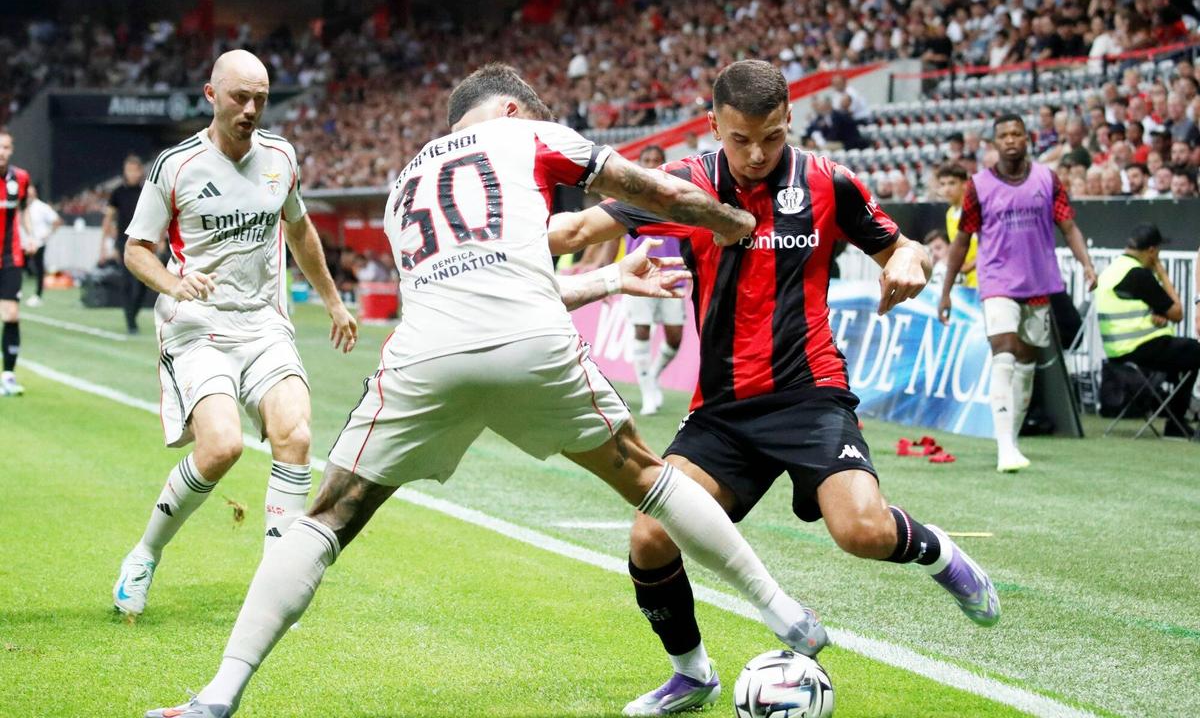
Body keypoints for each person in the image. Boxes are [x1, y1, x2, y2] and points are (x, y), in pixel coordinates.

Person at [145, 63, 827, 718]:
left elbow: (489, 281)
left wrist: (613, 280)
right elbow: (659, 193)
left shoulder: (404, 182)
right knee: (646, 476)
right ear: (509, 108)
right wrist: (733, 224)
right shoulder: (527, 132)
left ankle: (218, 693)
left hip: (427, 355)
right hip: (530, 342)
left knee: (327, 515)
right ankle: (782, 611)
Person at [548, 60, 999, 717]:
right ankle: (692, 674)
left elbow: (903, 248)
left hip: (809, 393)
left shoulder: (827, 181)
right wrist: (505, 250)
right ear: (713, 128)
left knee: (862, 532)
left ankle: (942, 555)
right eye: (740, 140)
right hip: (722, 410)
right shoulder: (682, 187)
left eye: (771, 137)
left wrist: (908, 259)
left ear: (790, 121)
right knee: (649, 538)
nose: (757, 155)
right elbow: (581, 231)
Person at [111, 50, 358, 618]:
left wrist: (333, 301)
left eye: (261, 100)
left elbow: (299, 228)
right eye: (240, 97)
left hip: (264, 323)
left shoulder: (281, 157)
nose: (250, 110)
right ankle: (145, 554)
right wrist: (174, 283)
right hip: (197, 326)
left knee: (295, 435)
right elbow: (135, 250)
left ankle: (276, 583)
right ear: (211, 94)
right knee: (221, 447)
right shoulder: (175, 167)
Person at [939, 114, 1097, 473]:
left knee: (1026, 363)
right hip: (995, 281)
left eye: (1017, 134)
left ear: (1028, 138)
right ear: (995, 144)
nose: (1011, 140)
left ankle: (1011, 438)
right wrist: (946, 291)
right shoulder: (977, 186)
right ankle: (1005, 448)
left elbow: (1068, 226)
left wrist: (1086, 264)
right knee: (1005, 353)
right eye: (1004, 135)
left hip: (1038, 283)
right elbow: (962, 240)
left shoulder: (1047, 179)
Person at [1096, 223, 1198, 438]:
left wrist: (1155, 311)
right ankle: (1175, 421)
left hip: (1116, 350)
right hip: (1138, 347)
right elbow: (1177, 312)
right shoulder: (1138, 274)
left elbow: (1132, 303)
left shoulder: (1112, 270)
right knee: (1194, 350)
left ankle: (1171, 414)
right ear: (1152, 251)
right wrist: (1161, 272)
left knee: (1182, 353)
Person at [626, 144, 686, 415]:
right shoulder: (626, 196)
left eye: (656, 159)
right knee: (642, 329)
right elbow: (609, 234)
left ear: (664, 163)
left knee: (675, 338)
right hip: (638, 272)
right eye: (646, 159)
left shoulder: (677, 197)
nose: (651, 163)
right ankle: (648, 392)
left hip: (671, 272)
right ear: (639, 163)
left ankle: (651, 374)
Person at [101, 154, 153, 334]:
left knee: (141, 284)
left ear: (140, 171)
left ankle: (133, 314)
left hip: (143, 242)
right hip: (123, 242)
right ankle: (131, 322)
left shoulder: (147, 191)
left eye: (135, 170)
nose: (132, 174)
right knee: (127, 282)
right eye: (129, 170)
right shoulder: (117, 193)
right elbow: (109, 218)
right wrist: (108, 243)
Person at [0, 129, 32, 396]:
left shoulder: (20, 179)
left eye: (6, 147)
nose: (2, 152)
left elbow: (22, 211)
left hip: (10, 257)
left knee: (11, 315)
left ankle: (8, 376)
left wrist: (30, 236)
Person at [937, 164, 978, 287]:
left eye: (952, 183)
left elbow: (991, 245)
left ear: (965, 185)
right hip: (967, 283)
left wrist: (968, 266)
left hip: (984, 280)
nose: (947, 189)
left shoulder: (977, 210)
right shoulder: (950, 214)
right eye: (942, 184)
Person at [22, 183, 60, 307]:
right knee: (17, 267)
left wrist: (47, 234)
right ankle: (15, 290)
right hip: (24, 243)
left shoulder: (41, 207)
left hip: (38, 243)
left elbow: (56, 221)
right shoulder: (22, 206)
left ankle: (38, 295)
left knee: (39, 269)